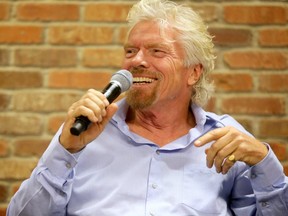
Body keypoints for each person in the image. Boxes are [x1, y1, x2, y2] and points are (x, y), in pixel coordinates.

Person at [7, 0, 288, 215]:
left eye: (157, 51)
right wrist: (64, 150)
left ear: (193, 72)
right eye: (130, 51)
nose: (137, 60)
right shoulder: (84, 132)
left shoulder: (226, 139)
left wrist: (264, 161)